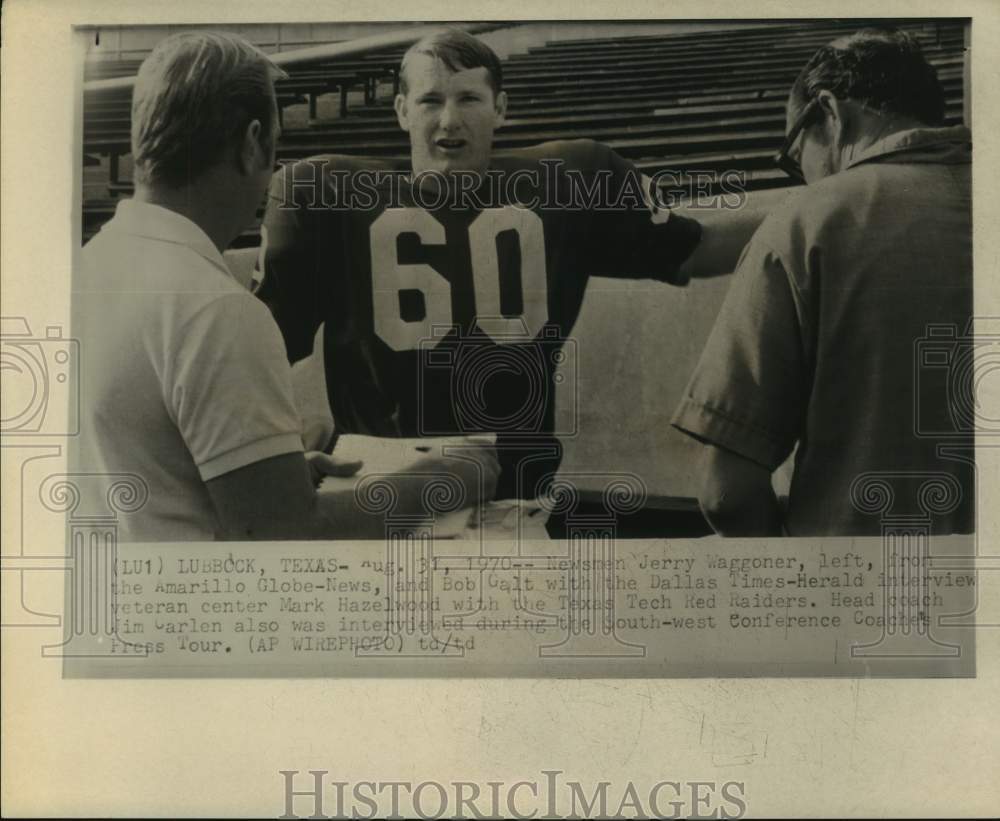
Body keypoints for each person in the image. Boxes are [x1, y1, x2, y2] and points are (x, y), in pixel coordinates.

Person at [257, 29, 767, 502]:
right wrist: (274, 452)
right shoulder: (323, 197)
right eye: (430, 100)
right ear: (401, 111)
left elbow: (695, 248)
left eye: (469, 99)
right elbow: (258, 353)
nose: (449, 119)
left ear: (500, 108)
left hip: (514, 488)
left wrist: (816, 211)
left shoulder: (571, 181)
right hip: (377, 486)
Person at [75, 31, 498, 541]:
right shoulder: (218, 310)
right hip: (193, 611)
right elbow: (283, 535)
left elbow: (156, 463)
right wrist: (444, 478)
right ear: (252, 142)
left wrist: (268, 473)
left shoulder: (88, 265)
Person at [671, 28, 974, 536]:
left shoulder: (808, 220)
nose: (804, 175)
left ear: (829, 113)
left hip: (858, 592)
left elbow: (726, 489)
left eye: (795, 153)